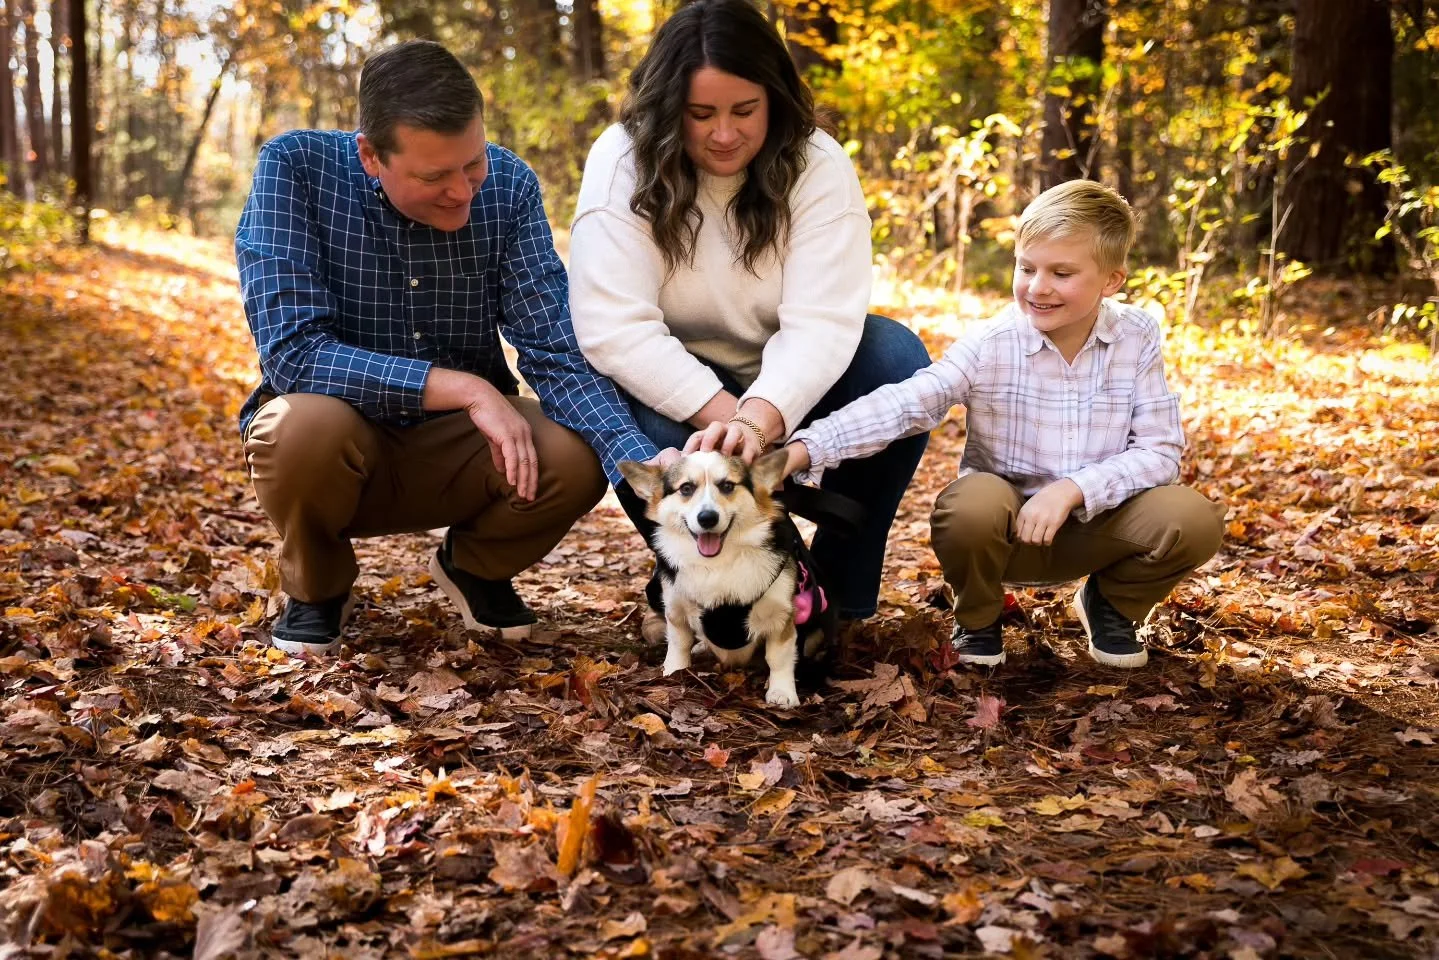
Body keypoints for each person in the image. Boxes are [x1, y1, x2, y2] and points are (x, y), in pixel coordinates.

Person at [235, 39, 660, 656]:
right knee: (295, 427)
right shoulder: (294, 168)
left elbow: (557, 351)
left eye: (472, 164)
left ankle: (475, 568)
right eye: (434, 175)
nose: (463, 192)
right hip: (337, 441)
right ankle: (319, 586)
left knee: (577, 448)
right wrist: (464, 385)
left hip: (463, 447)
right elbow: (294, 354)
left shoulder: (509, 185)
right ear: (371, 156)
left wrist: (647, 474)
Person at [568, 0, 930, 631]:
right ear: (664, 110)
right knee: (603, 384)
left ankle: (834, 595)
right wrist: (724, 420)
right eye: (700, 114)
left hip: (794, 386)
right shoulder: (623, 160)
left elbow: (823, 323)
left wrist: (761, 422)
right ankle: (703, 584)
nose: (724, 134)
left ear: (776, 100)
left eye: (745, 111)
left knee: (897, 360)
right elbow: (613, 325)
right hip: (675, 387)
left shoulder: (816, 163)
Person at [771, 179, 1225, 668]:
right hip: (1002, 536)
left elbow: (1159, 451)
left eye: (1062, 273)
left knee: (1193, 519)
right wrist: (803, 450)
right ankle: (978, 616)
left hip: (1100, 527)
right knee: (970, 503)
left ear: (1111, 281)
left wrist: (1072, 488)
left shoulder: (1136, 335)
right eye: (1027, 267)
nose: (1037, 287)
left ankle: (1112, 605)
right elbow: (905, 403)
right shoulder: (994, 342)